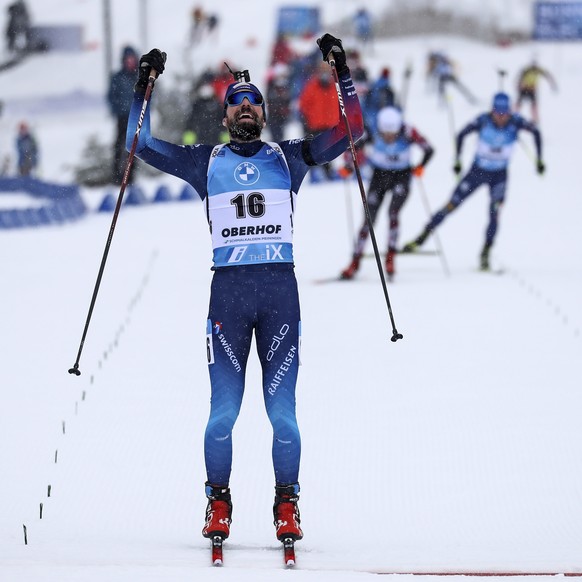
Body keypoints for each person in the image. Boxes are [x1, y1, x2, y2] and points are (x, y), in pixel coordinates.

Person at [126, 34, 363, 546]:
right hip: (227, 300)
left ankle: (286, 503)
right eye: (238, 103)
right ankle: (218, 501)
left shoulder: (290, 157)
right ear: (226, 114)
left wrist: (341, 72)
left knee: (284, 417)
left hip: (280, 297)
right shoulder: (203, 162)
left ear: (264, 111)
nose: (247, 107)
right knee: (222, 418)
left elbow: (353, 130)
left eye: (254, 101)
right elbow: (138, 145)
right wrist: (143, 85)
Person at [401, 92, 544, 271]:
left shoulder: (516, 121)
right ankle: (421, 237)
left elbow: (536, 132)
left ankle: (485, 252)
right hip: (477, 172)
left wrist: (539, 159)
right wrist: (458, 160)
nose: (501, 118)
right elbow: (461, 134)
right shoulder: (483, 120)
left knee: (494, 213)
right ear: (492, 111)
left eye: (504, 113)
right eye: (498, 113)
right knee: (451, 205)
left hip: (499, 176)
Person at [340, 107, 434, 281]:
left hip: (402, 176)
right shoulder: (373, 130)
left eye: (393, 133)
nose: (389, 137)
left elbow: (429, 149)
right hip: (379, 175)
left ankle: (390, 258)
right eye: (385, 134)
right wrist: (348, 167)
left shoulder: (408, 131)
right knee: (368, 219)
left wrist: (421, 166)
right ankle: (355, 262)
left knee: (393, 214)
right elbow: (353, 148)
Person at [298, 60, 345, 181]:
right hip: (314, 125)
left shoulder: (335, 86)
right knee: (313, 151)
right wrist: (305, 121)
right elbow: (303, 105)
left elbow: (341, 104)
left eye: (326, 71)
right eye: (322, 70)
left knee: (327, 150)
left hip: (330, 126)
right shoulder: (311, 86)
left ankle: (328, 172)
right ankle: (315, 173)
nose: (324, 73)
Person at [107, 45, 139, 185]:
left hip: (136, 117)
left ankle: (130, 177)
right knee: (120, 145)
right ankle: (117, 176)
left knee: (134, 148)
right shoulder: (118, 77)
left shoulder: (139, 77)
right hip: (122, 117)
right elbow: (111, 96)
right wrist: (117, 110)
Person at [515, 60, 557, 124]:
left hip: (532, 89)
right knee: (519, 104)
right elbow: (520, 77)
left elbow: (547, 75)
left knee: (533, 105)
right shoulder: (527, 70)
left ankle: (535, 119)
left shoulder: (538, 70)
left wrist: (552, 84)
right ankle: (514, 116)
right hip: (524, 88)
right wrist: (519, 85)